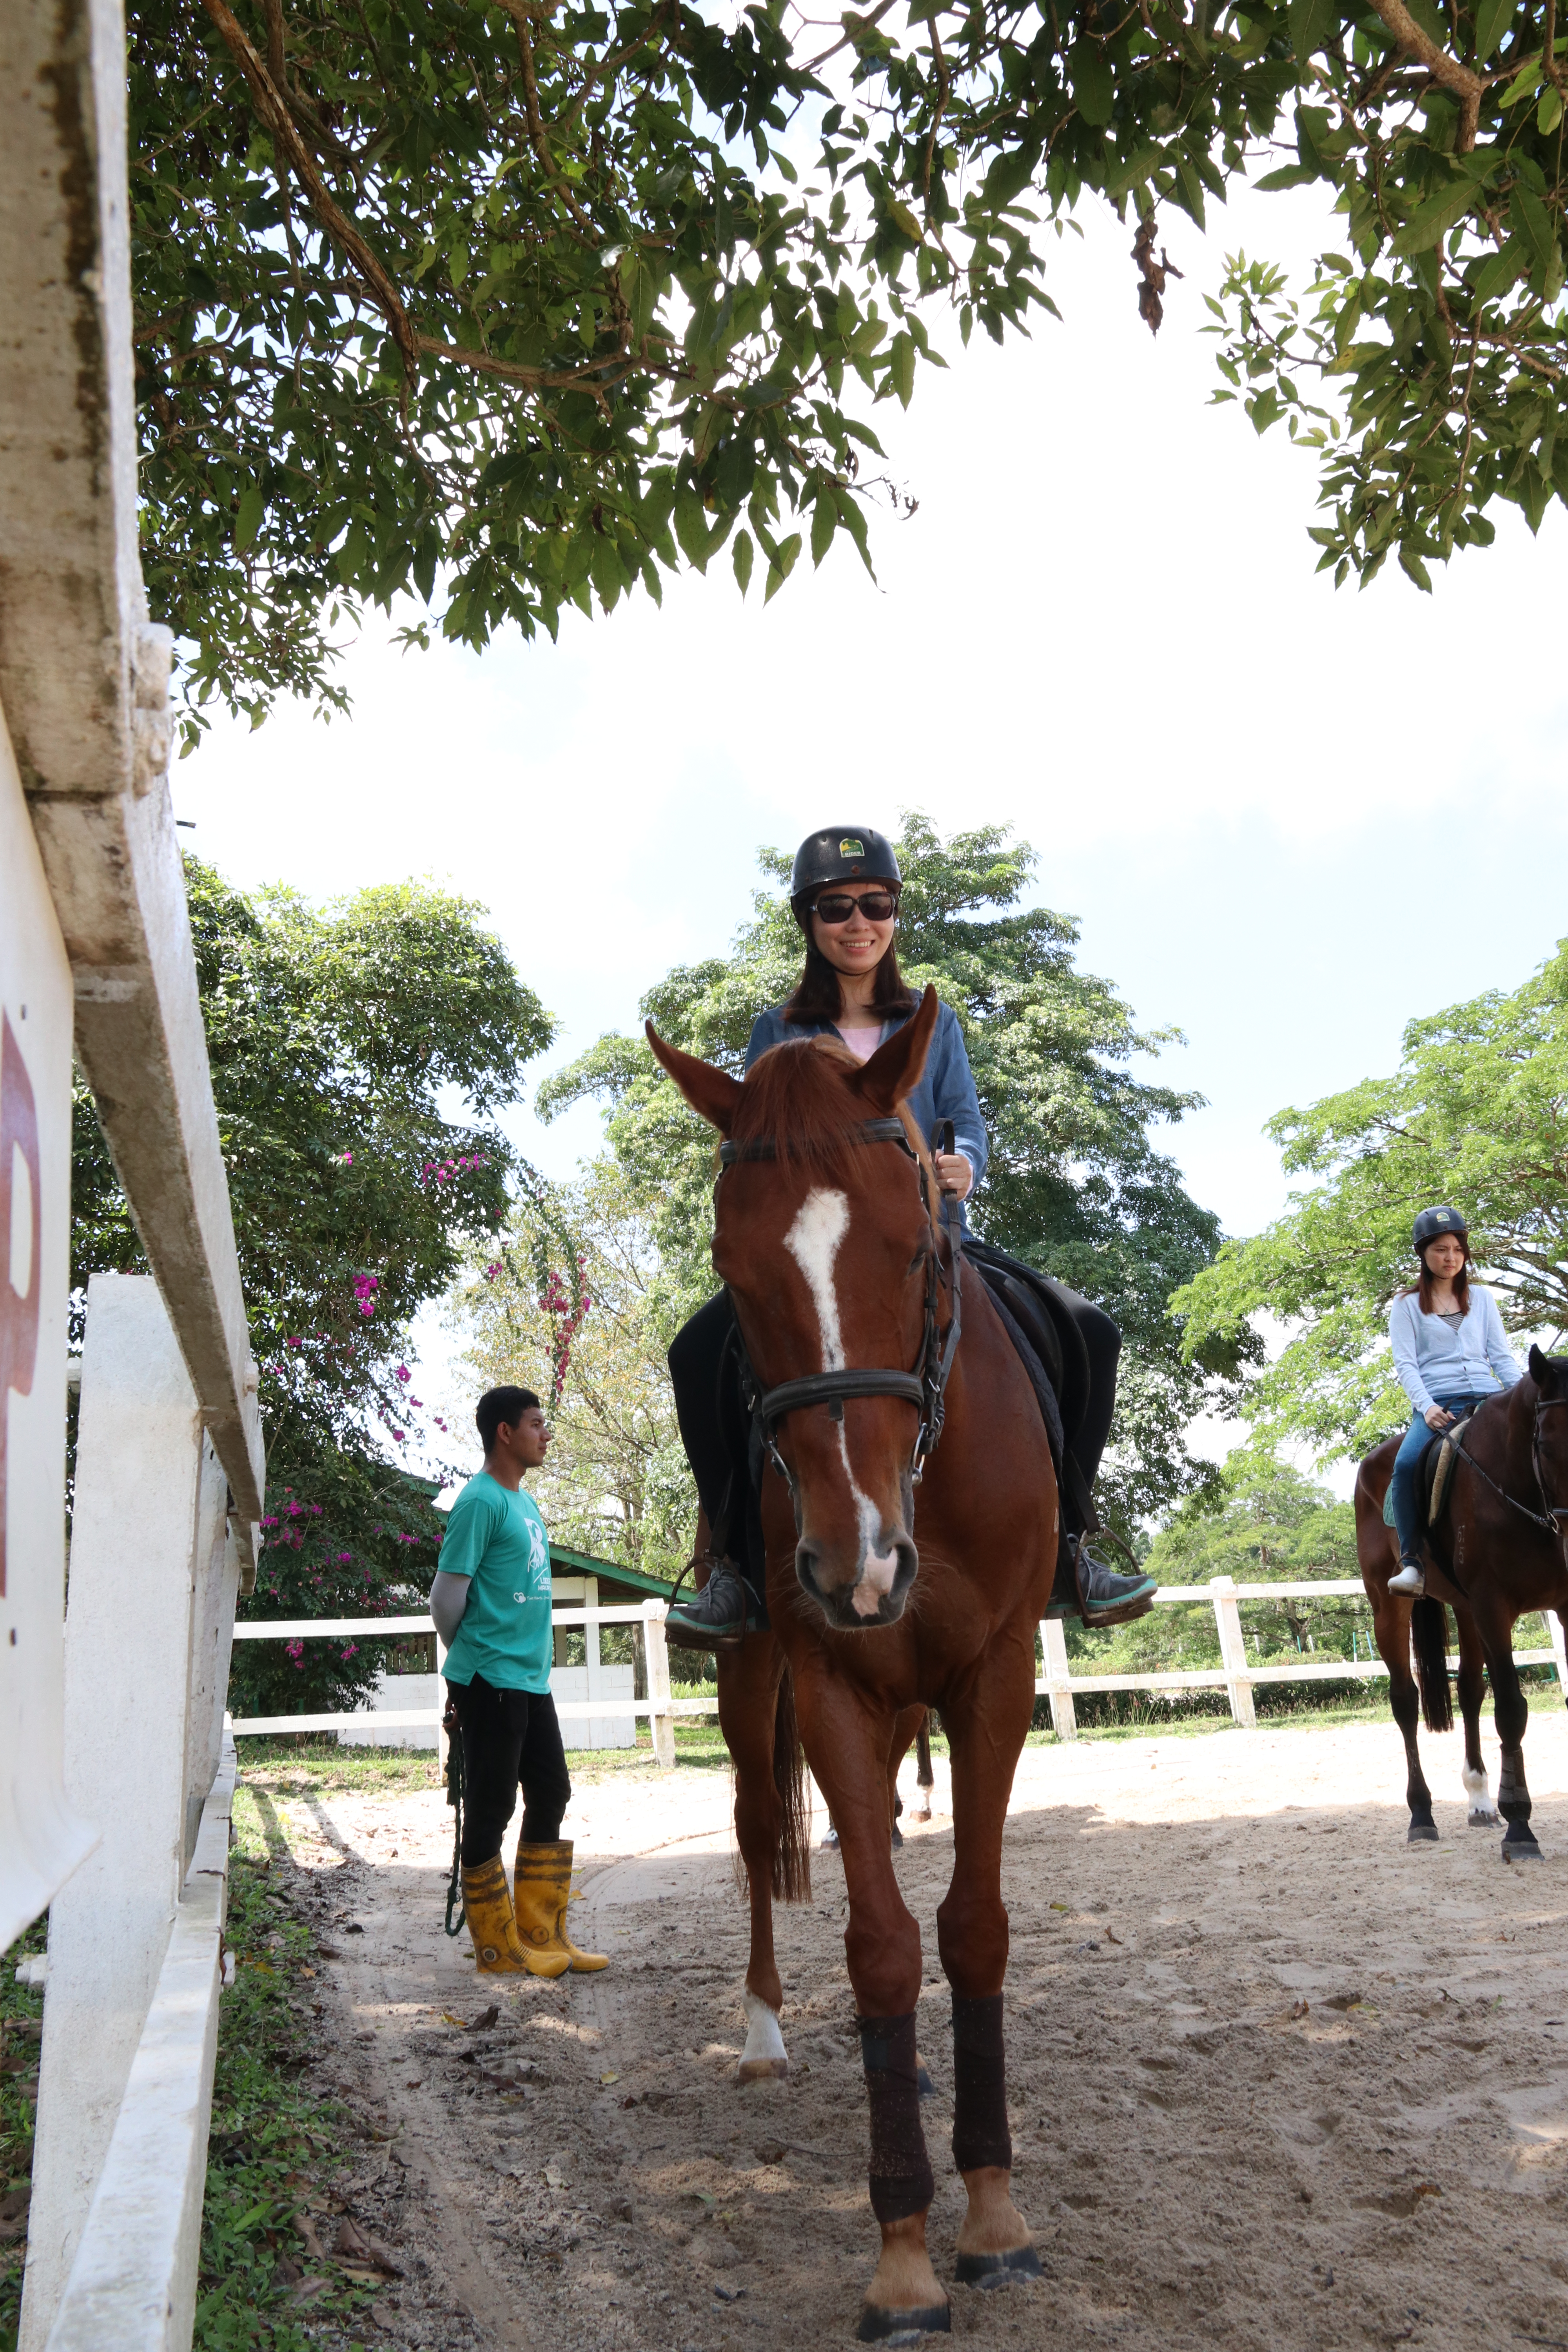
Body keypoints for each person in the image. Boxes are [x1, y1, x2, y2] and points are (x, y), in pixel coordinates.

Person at [664, 824, 1156, 1646]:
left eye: (875, 904)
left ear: (893, 915)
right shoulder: (773, 1029)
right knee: (695, 1353)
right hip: (819, 1264)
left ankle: (1073, 1540)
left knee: (1089, 1330)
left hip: (927, 1246)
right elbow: (751, 1142)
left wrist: (965, 1164)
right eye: (836, 907)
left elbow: (965, 1122)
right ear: (809, 921)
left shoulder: (936, 1021)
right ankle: (730, 1567)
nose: (857, 922)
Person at [429, 1384, 607, 1976]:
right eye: (536, 1423)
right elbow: (445, 1600)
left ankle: (541, 1932)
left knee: (552, 1791)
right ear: (505, 1433)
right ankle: (497, 1948)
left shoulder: (524, 1504)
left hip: (530, 1680)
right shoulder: (480, 1502)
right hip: (491, 1678)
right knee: (491, 1806)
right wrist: (472, 1670)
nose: (545, 1433)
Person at [1387, 1206, 1524, 1596]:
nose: (1449, 1258)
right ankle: (1412, 1562)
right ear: (1423, 1254)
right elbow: (1406, 1363)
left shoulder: (1481, 1298)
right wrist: (1426, 1406)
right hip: (1438, 1402)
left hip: (1489, 1395)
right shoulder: (1406, 1305)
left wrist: (1519, 1397)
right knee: (1405, 1464)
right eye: (1439, 1249)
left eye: (1456, 1249)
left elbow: (1500, 1357)